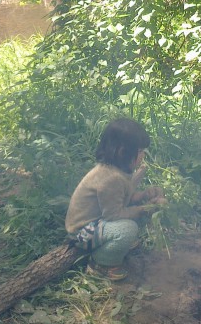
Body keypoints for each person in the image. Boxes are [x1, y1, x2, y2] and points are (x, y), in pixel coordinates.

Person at [66, 118, 166, 281]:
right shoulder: (110, 179)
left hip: (97, 222)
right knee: (128, 229)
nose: (143, 155)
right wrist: (145, 209)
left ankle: (112, 243)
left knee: (131, 221)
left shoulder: (117, 170)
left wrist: (143, 196)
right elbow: (113, 215)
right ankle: (100, 264)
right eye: (140, 151)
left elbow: (122, 198)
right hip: (83, 232)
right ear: (122, 152)